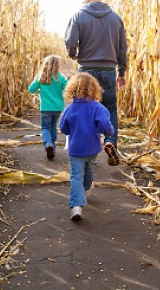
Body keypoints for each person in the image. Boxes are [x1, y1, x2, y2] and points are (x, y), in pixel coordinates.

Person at [64, 0, 127, 166]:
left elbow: (70, 40)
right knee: (110, 108)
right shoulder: (116, 19)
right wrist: (121, 72)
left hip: (86, 70)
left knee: (84, 108)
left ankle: (86, 152)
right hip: (108, 70)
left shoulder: (79, 15)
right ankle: (110, 141)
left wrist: (73, 54)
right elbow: (122, 48)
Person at [59, 73, 114, 220]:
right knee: (88, 171)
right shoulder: (98, 108)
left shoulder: (70, 109)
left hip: (76, 149)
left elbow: (63, 128)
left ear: (72, 89)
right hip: (92, 148)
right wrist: (109, 133)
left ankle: (77, 204)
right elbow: (105, 126)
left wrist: (72, 129)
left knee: (77, 176)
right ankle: (79, 198)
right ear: (94, 89)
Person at [28, 55, 68, 160]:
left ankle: (48, 144)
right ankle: (53, 146)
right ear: (58, 66)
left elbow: (31, 89)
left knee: (45, 127)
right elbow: (68, 88)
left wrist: (40, 91)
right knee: (53, 126)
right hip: (58, 108)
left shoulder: (41, 77)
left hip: (45, 107)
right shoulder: (61, 78)